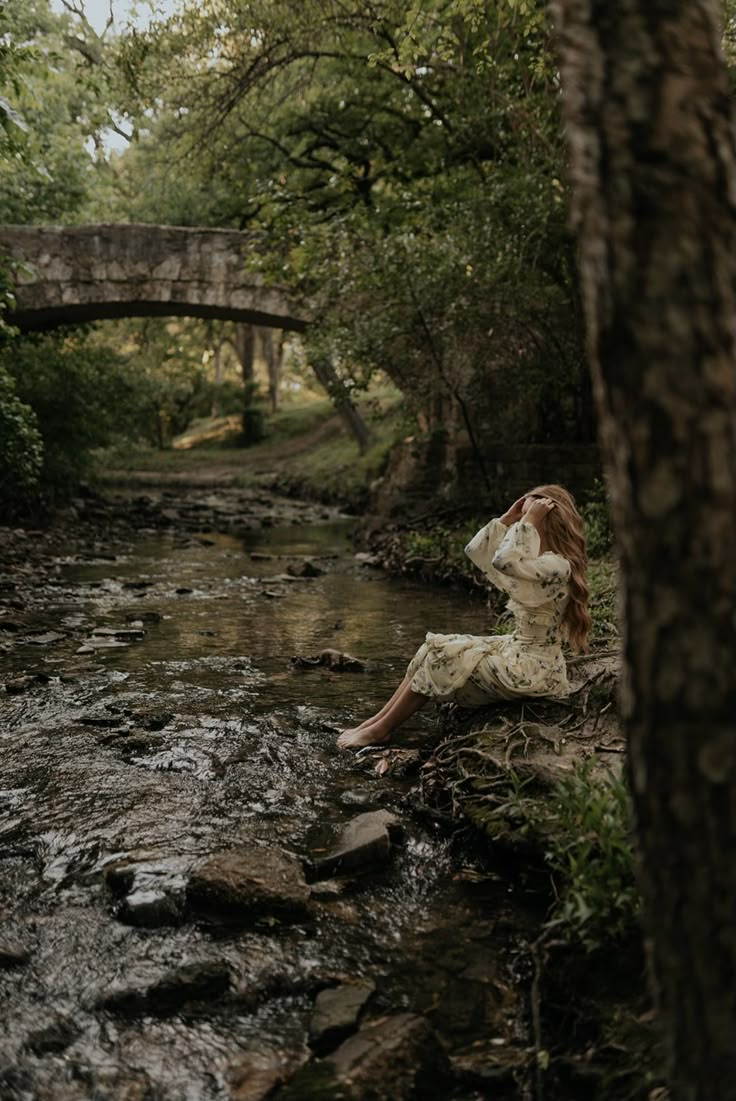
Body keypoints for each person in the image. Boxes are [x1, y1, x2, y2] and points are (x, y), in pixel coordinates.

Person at [337, 484, 591, 749]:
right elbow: (475, 550)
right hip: (517, 649)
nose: (525, 530)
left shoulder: (556, 566)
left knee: (440, 657)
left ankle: (380, 730)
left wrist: (528, 519)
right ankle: (377, 722)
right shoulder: (539, 562)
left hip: (533, 671)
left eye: (534, 521)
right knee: (430, 648)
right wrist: (508, 518)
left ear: (548, 523)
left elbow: (503, 560)